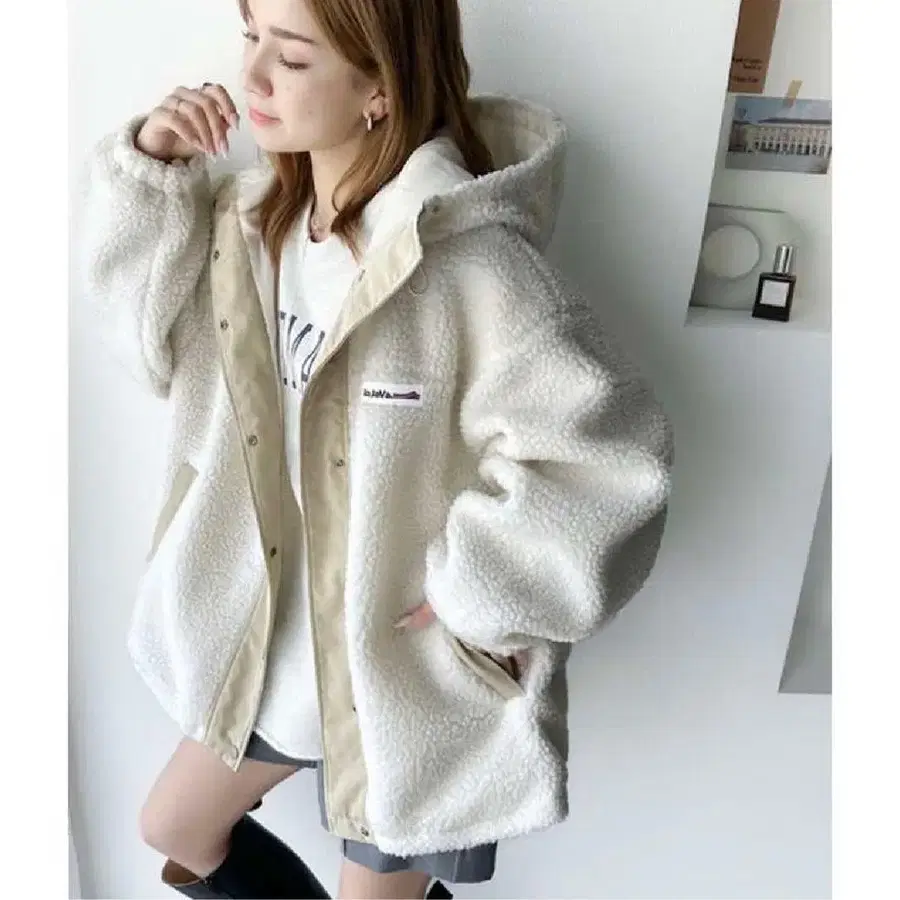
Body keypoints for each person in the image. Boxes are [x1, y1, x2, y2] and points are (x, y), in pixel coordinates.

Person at [74, 0, 674, 897]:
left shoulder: (471, 262)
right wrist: (152, 173)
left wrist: (483, 594)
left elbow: (609, 461)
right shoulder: (253, 229)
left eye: (292, 57)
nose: (252, 76)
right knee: (176, 827)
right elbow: (143, 343)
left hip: (405, 672)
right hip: (274, 635)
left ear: (379, 90)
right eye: (251, 38)